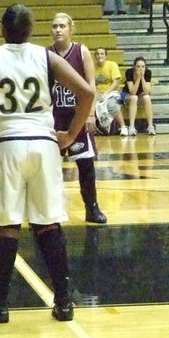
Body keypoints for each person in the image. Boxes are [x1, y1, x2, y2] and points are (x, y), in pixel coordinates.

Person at [0, 4, 95, 324]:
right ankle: (64, 301)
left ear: (3, 29)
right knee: (48, 224)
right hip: (43, 146)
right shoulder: (46, 57)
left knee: (6, 225)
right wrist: (71, 133)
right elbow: (86, 92)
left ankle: (0, 304)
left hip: (6, 147)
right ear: (31, 31)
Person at [48, 13, 107, 223]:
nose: (58, 30)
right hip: (53, 118)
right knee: (48, 167)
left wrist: (90, 112)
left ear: (71, 29)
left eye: (62, 26)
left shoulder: (81, 51)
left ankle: (92, 208)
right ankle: (48, 210)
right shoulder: (46, 54)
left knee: (85, 164)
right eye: (54, 26)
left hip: (77, 116)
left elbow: (91, 84)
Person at [93, 47, 130, 136]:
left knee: (112, 104)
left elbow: (116, 82)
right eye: (97, 54)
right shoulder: (92, 67)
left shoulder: (112, 65)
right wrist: (96, 88)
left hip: (113, 92)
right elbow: (91, 83)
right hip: (97, 92)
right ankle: (94, 129)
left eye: (102, 54)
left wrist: (105, 94)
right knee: (91, 105)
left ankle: (123, 127)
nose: (99, 56)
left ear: (106, 56)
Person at [124, 56, 155, 135]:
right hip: (126, 95)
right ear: (134, 67)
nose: (140, 69)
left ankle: (150, 126)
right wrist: (138, 78)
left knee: (147, 97)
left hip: (140, 95)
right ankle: (131, 127)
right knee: (134, 97)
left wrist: (142, 78)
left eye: (143, 66)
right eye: (138, 66)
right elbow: (132, 92)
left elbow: (147, 91)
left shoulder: (148, 72)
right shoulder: (129, 72)